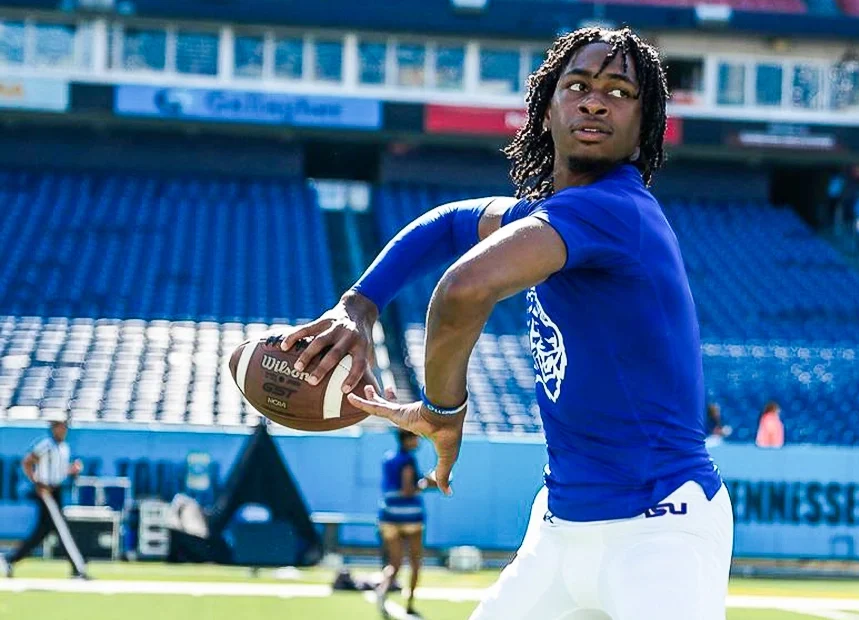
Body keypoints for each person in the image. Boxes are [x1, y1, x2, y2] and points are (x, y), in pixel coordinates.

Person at [281, 27, 731, 620]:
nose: (595, 100)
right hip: (560, 531)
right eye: (577, 85)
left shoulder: (614, 210)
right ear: (546, 110)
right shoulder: (551, 214)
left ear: (644, 126)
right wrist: (360, 303)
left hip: (659, 533)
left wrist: (441, 413)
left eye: (620, 91)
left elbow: (463, 290)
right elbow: (447, 223)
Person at [1, 418, 88, 579]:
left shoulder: (64, 447)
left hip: (56, 490)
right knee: (62, 528)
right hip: (46, 491)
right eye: (61, 427)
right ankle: (78, 568)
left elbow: (59, 471)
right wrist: (37, 482)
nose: (64, 430)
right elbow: (27, 462)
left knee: (43, 531)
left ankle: (10, 559)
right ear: (54, 428)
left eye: (65, 427)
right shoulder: (46, 445)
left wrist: (71, 470)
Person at [376, 426, 438, 618]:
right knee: (415, 562)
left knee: (394, 562)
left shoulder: (388, 458)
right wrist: (428, 483)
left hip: (388, 514)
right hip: (409, 515)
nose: (418, 441)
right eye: (415, 438)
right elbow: (408, 490)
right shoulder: (408, 460)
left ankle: (382, 591)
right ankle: (409, 603)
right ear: (406, 439)